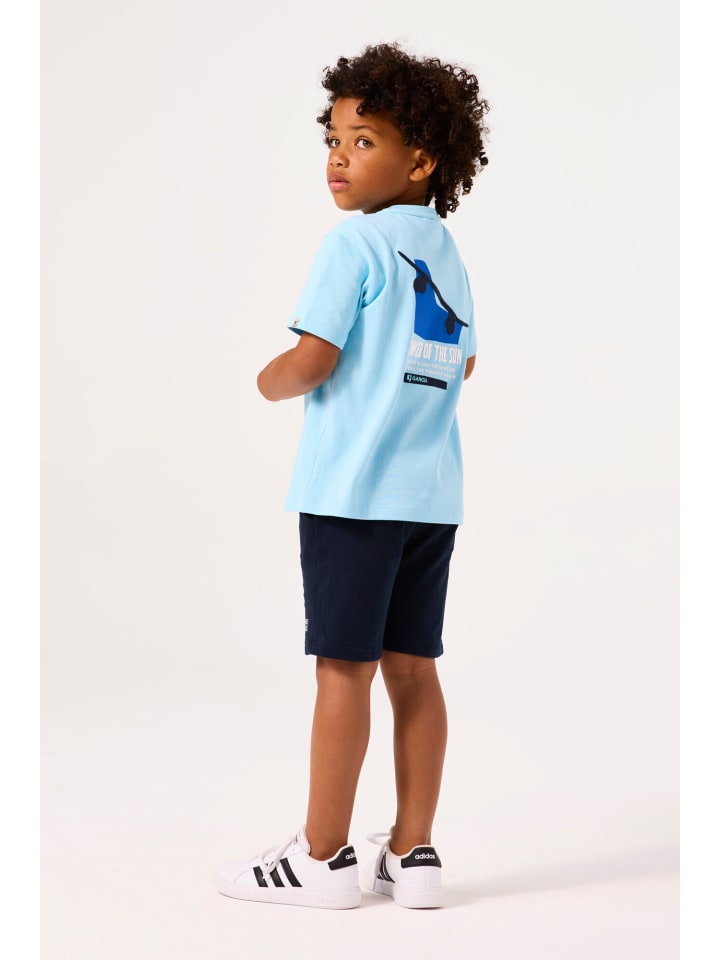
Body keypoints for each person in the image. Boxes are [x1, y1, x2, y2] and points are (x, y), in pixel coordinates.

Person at [215, 42, 490, 910]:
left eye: (363, 141)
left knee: (343, 670)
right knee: (414, 668)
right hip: (430, 500)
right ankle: (415, 853)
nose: (338, 157)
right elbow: (464, 363)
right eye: (333, 139)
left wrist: (268, 381)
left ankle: (323, 856)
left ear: (422, 159)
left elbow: (313, 358)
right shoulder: (444, 251)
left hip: (351, 498)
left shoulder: (355, 244)